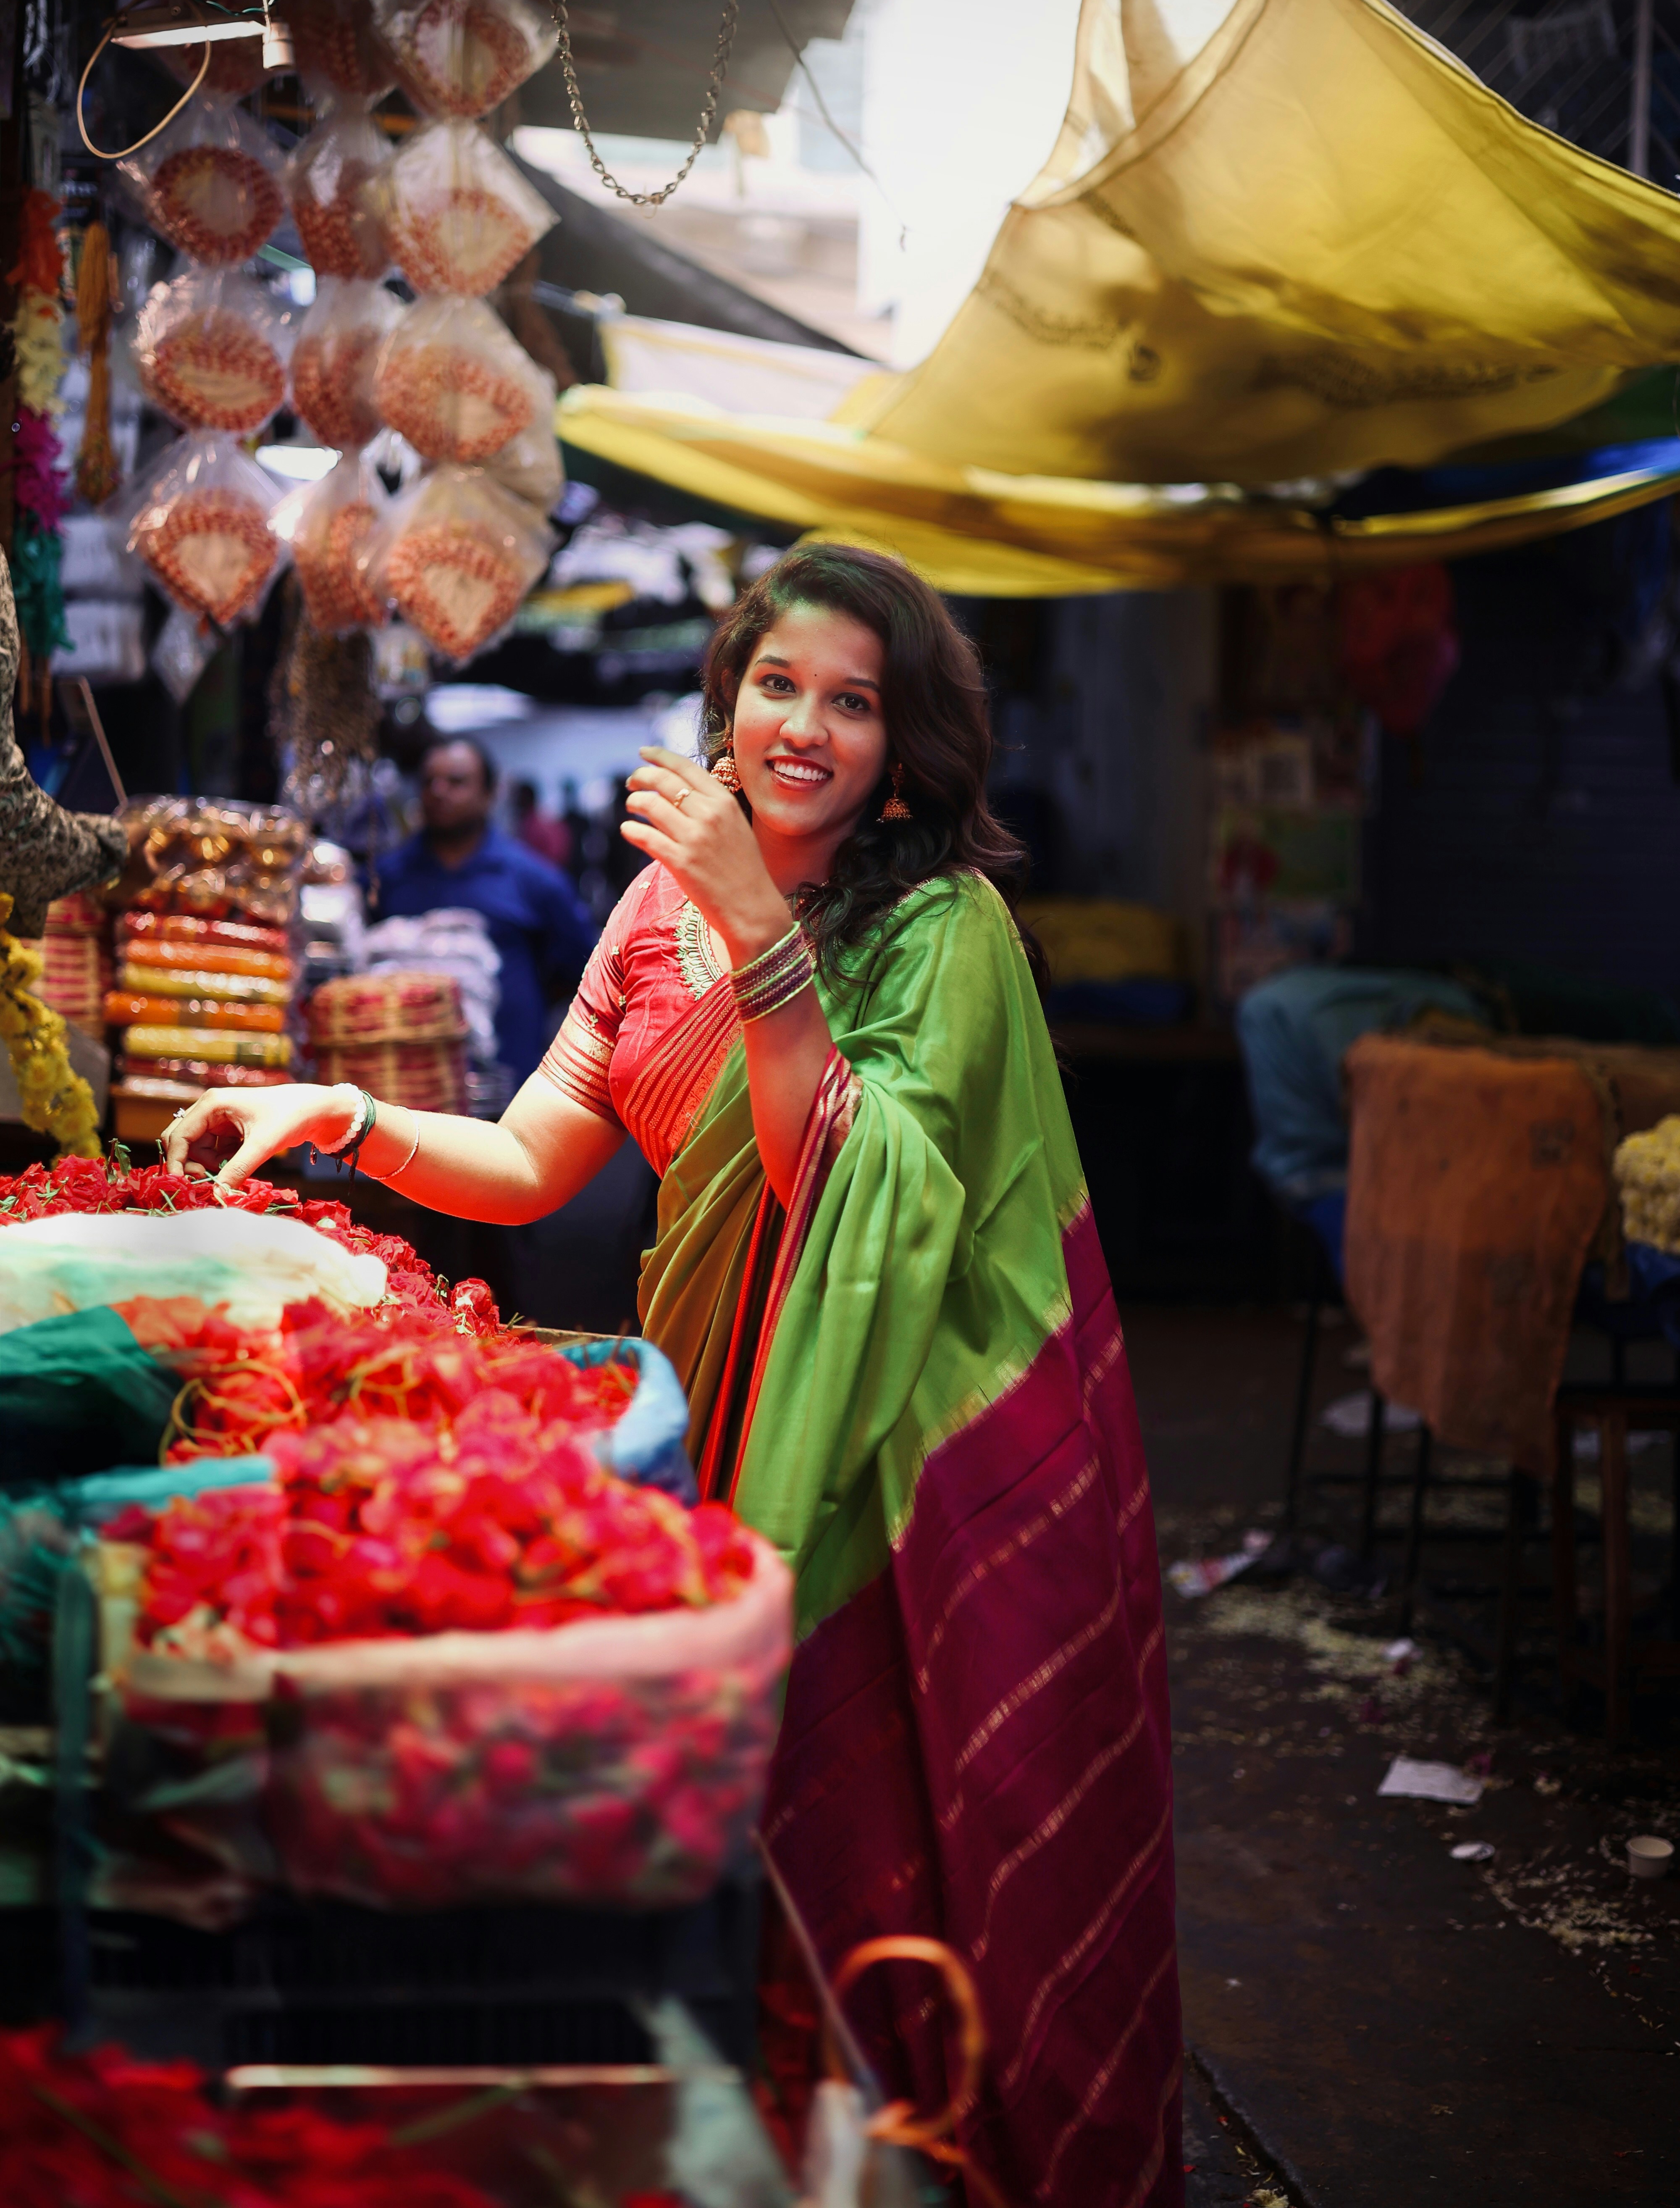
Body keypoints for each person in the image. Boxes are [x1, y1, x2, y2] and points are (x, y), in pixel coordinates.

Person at [162, 548, 1181, 2208]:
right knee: (741, 1876)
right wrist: (336, 1119)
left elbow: (840, 1184)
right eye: (779, 684)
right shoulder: (648, 910)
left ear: (904, 750)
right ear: (727, 700)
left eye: (854, 702)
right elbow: (522, 1154)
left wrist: (761, 930)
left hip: (906, 1472)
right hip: (719, 1436)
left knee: (910, 1870)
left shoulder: (946, 929)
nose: (806, 727)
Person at [376, 737, 596, 1083]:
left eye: (457, 782)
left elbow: (584, 969)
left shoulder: (533, 879)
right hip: (402, 1081)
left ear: (490, 794)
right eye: (429, 782)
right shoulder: (387, 877)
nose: (439, 792)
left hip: (507, 1081)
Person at [510, 775, 572, 870]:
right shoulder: (533, 822)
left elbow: (556, 853)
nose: (515, 801)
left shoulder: (535, 825)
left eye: (518, 797)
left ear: (526, 798)